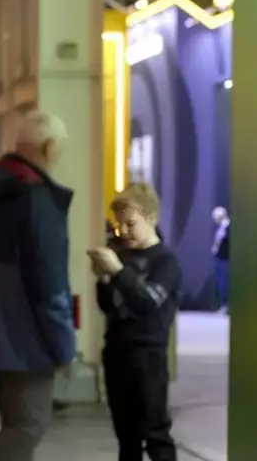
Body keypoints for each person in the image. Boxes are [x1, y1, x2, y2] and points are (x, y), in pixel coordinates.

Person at [0, 110, 75, 461]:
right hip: (25, 338)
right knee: (28, 424)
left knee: (13, 421)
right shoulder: (35, 196)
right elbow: (49, 282)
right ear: (49, 147)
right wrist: (63, 345)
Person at [90, 183, 181, 461]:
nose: (124, 231)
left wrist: (118, 271)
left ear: (151, 218)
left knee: (155, 431)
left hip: (148, 355)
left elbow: (148, 302)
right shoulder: (123, 255)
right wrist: (103, 279)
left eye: (131, 224)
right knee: (126, 435)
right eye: (120, 225)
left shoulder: (165, 261)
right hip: (117, 351)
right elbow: (107, 307)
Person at [210, 206, 230, 313]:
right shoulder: (221, 229)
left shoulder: (228, 227)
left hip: (225, 259)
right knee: (221, 282)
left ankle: (226, 304)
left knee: (225, 282)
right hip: (220, 258)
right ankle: (224, 304)